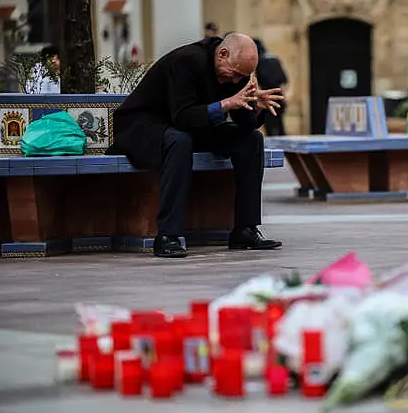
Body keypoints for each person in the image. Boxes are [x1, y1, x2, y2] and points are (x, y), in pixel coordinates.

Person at [106, 33, 284, 258]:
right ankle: (167, 236)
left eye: (242, 77)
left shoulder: (232, 73)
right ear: (222, 54)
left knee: (251, 141)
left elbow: (243, 123)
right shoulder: (186, 61)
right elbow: (181, 116)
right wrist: (224, 104)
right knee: (180, 141)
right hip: (142, 126)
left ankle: (245, 229)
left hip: (188, 126)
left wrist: (255, 108)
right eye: (235, 74)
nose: (235, 81)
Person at [253, 38, 289, 136]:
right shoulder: (274, 59)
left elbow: (258, 80)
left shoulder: (259, 61)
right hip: (278, 95)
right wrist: (283, 95)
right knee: (280, 125)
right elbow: (284, 80)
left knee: (269, 126)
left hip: (266, 96)